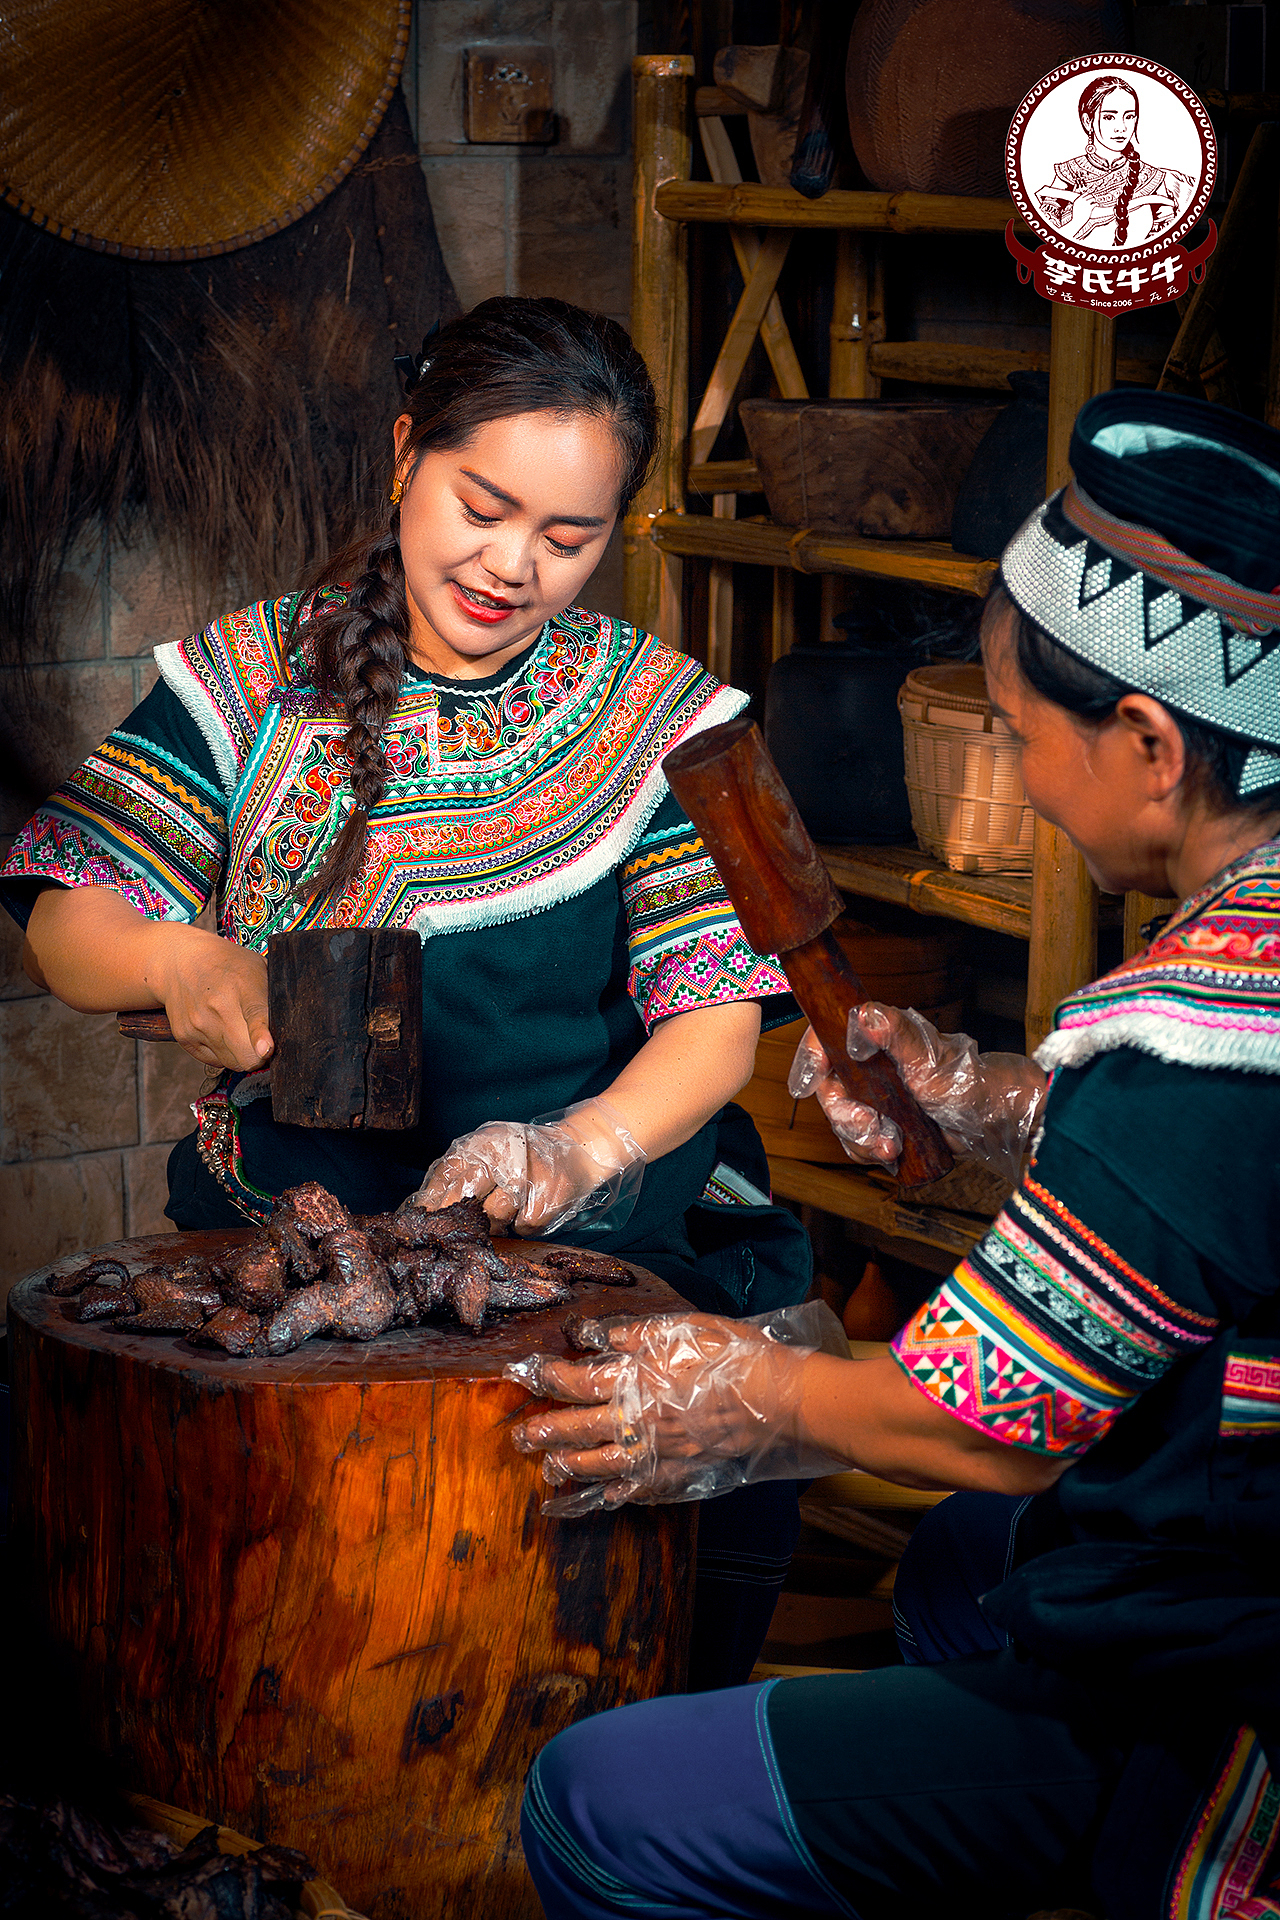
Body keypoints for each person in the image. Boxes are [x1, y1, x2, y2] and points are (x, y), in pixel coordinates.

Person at [509, 388, 1280, 1920]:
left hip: (1230, 1691)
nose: (1013, 762)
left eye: (1016, 728)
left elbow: (989, 1423)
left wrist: (743, 1394)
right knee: (957, 1571)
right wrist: (987, 1101)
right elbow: (1208, 1210)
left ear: (1147, 739)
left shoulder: (1199, 1046)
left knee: (601, 1802)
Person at [1, 296, 811, 1685]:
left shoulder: (656, 719)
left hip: (593, 1252)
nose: (513, 568)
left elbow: (714, 1017)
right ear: (403, 456)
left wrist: (579, 1146)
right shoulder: (251, 681)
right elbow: (66, 912)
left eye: (570, 539)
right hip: (283, 1258)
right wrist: (171, 957)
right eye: (482, 507)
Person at [1035, 75, 1193, 247]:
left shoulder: (1153, 178)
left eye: (1129, 116)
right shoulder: (1069, 173)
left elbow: (1165, 239)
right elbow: (1046, 239)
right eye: (1109, 117)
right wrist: (1078, 219)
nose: (1122, 127)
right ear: (1088, 122)